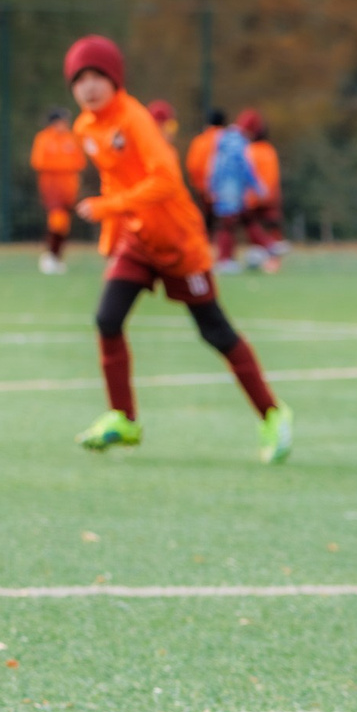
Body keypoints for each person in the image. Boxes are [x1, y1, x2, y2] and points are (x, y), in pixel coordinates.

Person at [65, 34, 293, 463]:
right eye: (80, 79)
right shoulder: (86, 128)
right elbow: (116, 177)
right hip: (138, 240)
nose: (89, 86)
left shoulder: (134, 120)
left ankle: (273, 414)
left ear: (115, 80)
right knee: (106, 319)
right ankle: (123, 418)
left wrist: (109, 207)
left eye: (98, 76)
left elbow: (166, 179)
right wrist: (111, 235)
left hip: (178, 243)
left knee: (215, 332)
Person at [30, 109, 86, 273]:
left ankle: (56, 256)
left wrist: (64, 166)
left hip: (69, 188)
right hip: (51, 186)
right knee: (57, 220)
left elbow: (79, 162)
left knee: (64, 224)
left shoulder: (71, 138)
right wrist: (63, 166)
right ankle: (50, 255)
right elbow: (38, 162)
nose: (65, 125)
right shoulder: (43, 138)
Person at [204, 114, 259, 269]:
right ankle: (224, 259)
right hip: (231, 189)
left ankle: (225, 258)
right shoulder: (237, 142)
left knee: (227, 224)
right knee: (228, 224)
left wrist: (211, 184)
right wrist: (257, 186)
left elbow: (214, 164)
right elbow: (245, 167)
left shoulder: (224, 138)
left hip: (222, 188)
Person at [238, 109, 287, 272]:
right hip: (268, 198)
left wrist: (250, 199)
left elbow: (259, 179)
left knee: (260, 228)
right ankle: (269, 260)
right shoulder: (267, 150)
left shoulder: (252, 151)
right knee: (269, 229)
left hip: (258, 199)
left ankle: (270, 260)